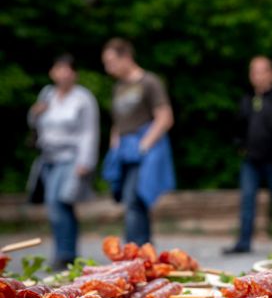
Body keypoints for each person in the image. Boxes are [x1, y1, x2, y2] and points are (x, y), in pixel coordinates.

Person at [27, 54, 99, 269]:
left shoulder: (83, 98)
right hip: (48, 157)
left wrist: (85, 162)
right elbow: (34, 122)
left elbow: (89, 132)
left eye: (67, 69)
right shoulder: (47, 94)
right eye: (59, 69)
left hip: (71, 157)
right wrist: (34, 112)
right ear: (52, 72)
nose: (63, 74)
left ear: (74, 73)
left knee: (57, 202)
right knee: (59, 205)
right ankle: (67, 253)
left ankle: (65, 254)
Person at [101, 38, 174, 246]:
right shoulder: (118, 87)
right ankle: (144, 250)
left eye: (111, 62)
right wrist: (115, 144)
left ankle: (134, 248)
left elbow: (165, 117)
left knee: (135, 198)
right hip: (123, 151)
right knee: (130, 199)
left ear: (126, 57)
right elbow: (119, 122)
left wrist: (143, 146)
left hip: (145, 151)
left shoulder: (149, 82)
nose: (108, 68)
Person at [225, 56, 272, 254]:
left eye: (261, 71)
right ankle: (244, 242)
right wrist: (240, 145)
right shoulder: (248, 99)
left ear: (271, 74)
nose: (257, 75)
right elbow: (238, 125)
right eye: (253, 71)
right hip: (251, 159)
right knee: (247, 200)